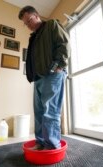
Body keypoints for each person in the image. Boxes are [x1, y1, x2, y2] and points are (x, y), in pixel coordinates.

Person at [18, 6, 70, 150]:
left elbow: (64, 44)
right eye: (25, 23)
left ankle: (52, 146)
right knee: (39, 112)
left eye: (29, 20)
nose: (28, 25)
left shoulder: (52, 24)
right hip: (39, 77)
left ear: (37, 15)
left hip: (53, 74)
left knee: (50, 111)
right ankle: (41, 142)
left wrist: (58, 65)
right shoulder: (34, 36)